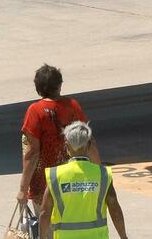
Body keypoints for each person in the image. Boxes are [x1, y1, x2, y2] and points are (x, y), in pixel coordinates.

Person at [19, 65, 99, 212]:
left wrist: (23, 189)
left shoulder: (35, 111)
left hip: (44, 185)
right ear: (60, 85)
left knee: (48, 229)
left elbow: (32, 153)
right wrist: (98, 174)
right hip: (72, 182)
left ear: (38, 88)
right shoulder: (73, 106)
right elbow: (89, 142)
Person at [39, 121, 127, 239]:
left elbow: (45, 212)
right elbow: (114, 208)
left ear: (66, 144)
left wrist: (42, 237)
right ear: (89, 144)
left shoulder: (55, 175)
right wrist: (123, 237)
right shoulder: (103, 174)